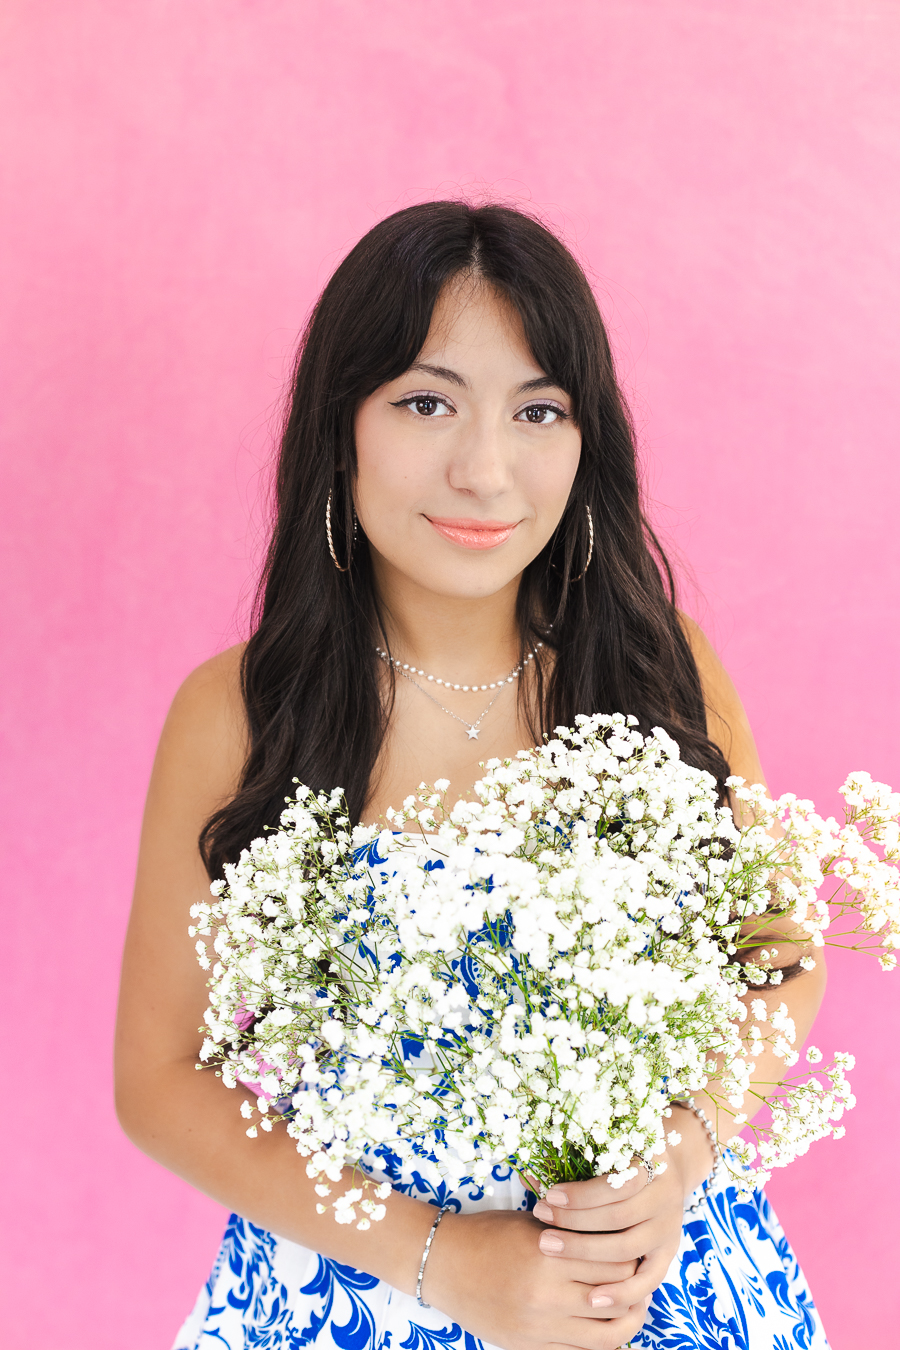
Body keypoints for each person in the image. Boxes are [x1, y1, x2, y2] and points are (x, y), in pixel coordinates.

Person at [115, 201, 830, 1350]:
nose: (486, 469)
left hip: (661, 1286)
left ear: (587, 440)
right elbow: (156, 1080)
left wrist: (685, 1147)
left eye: (538, 410)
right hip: (348, 1299)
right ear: (339, 426)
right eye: (426, 401)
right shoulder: (240, 714)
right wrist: (447, 1265)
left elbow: (777, 963)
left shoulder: (662, 672)